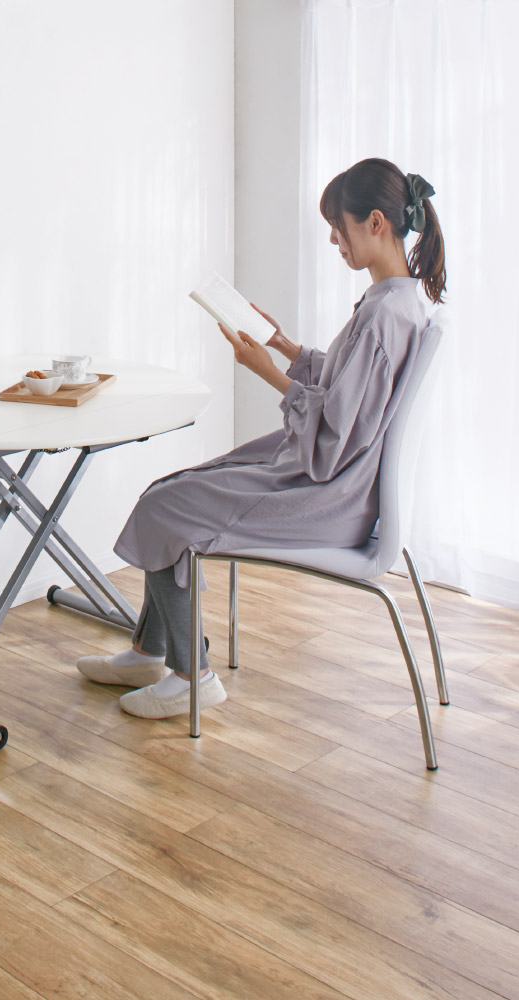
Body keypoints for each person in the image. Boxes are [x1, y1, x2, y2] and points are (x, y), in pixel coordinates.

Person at [77, 157, 447, 719]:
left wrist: (268, 372)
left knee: (166, 506)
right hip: (335, 485)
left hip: (326, 496)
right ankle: (150, 652)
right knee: (171, 491)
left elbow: (336, 433)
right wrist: (282, 344)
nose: (333, 240)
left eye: (338, 227)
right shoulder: (398, 303)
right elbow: (348, 391)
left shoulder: (383, 316)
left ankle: (192, 676)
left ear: (375, 222)